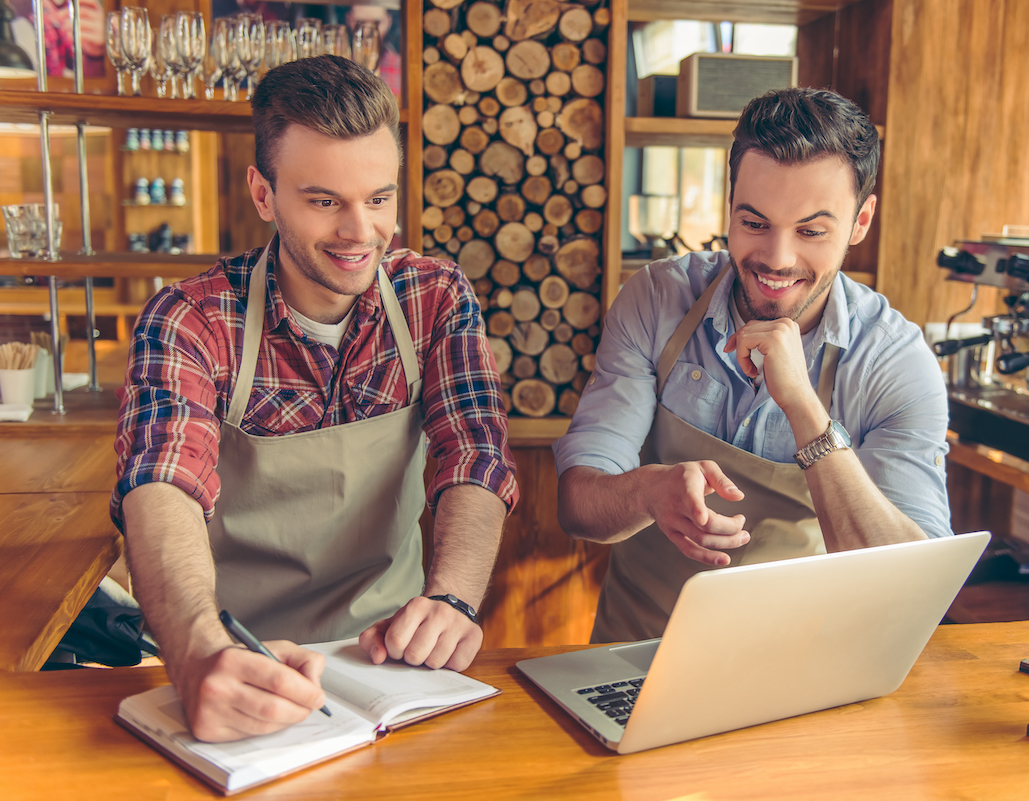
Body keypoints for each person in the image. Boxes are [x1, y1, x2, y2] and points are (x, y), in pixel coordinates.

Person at [112, 56, 518, 743]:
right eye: (324, 201)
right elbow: (161, 483)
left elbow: (474, 453)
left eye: (379, 198)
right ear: (264, 195)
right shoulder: (189, 319)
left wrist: (452, 597)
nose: (360, 231)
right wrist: (196, 650)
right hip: (238, 655)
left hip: (390, 659)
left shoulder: (435, 297)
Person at [553, 87, 953, 644]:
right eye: (755, 222)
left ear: (861, 221)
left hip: (802, 671)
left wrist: (804, 408)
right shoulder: (657, 299)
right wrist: (646, 492)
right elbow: (578, 504)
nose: (778, 259)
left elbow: (914, 586)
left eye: (811, 231)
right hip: (634, 655)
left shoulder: (893, 362)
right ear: (729, 204)